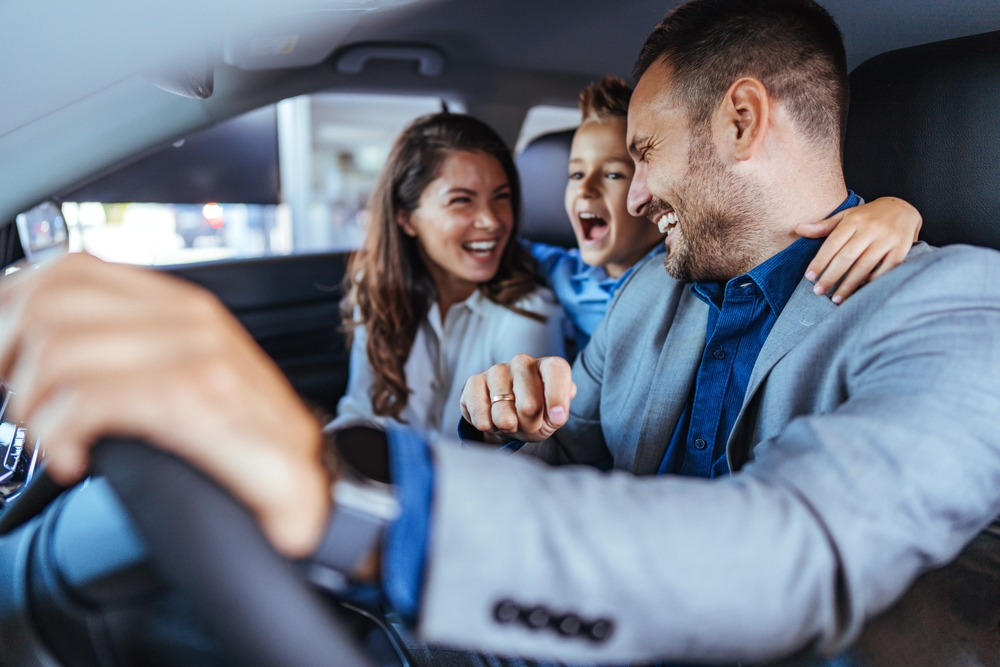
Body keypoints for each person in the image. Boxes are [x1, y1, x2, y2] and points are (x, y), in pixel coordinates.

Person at [3, 1, 1000, 667]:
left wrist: (338, 498)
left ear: (742, 120)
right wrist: (504, 426)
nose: (637, 195)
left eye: (643, 155)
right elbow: (578, 461)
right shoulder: (652, 296)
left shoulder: (958, 313)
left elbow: (802, 554)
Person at [530, 75, 922, 352]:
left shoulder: (698, 271)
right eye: (575, 174)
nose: (639, 198)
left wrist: (896, 210)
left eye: (621, 171)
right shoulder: (564, 274)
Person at [332, 112, 565, 442]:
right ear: (406, 218)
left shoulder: (529, 310)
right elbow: (361, 411)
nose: (491, 221)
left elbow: (523, 434)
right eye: (461, 201)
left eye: (502, 197)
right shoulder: (376, 295)